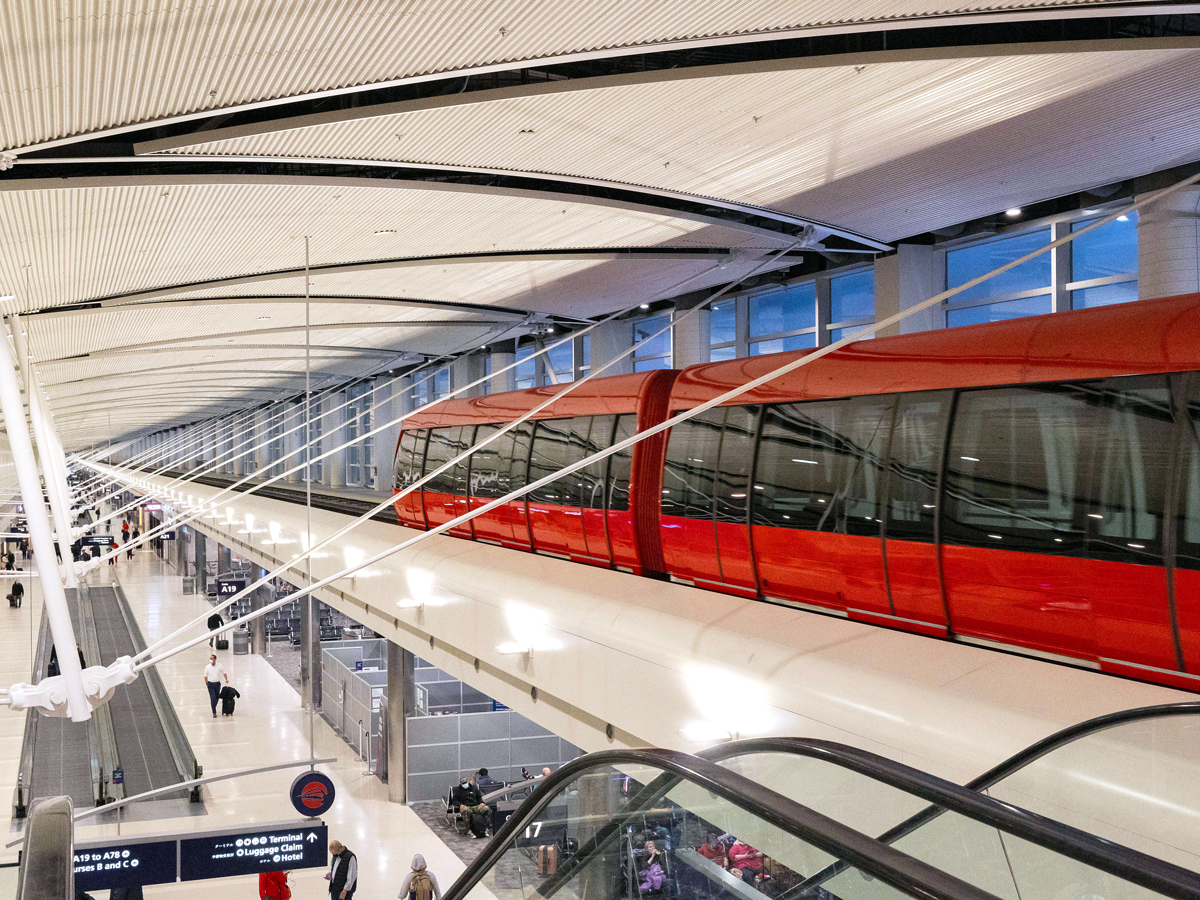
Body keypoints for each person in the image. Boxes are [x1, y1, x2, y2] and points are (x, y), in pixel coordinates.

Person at [203, 653, 228, 718]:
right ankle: (214, 711)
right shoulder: (207, 667)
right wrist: (206, 683)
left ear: (215, 659)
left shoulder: (219, 666)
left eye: (212, 659)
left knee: (217, 697)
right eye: (210, 659)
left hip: (217, 684)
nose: (211, 660)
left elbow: (224, 673)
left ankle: (214, 705)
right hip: (210, 684)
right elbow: (205, 675)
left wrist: (226, 679)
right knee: (212, 697)